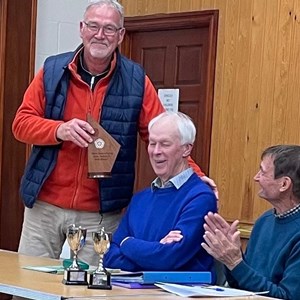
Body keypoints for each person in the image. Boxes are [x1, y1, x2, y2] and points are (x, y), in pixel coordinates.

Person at [12, 0, 217, 266]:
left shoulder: (136, 80)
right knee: (29, 286)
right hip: (44, 207)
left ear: (121, 35)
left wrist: (197, 177)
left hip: (100, 212)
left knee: (89, 291)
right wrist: (60, 129)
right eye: (94, 26)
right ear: (81, 29)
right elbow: (20, 123)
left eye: (109, 29)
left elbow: (165, 135)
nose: (100, 35)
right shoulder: (51, 71)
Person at [103, 112, 217, 274]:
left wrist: (127, 243)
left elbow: (168, 259)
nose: (156, 151)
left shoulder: (200, 198)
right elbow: (110, 257)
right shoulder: (139, 199)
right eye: (152, 143)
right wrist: (154, 253)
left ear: (186, 149)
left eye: (165, 144)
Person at [201, 145, 300, 299]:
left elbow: (286, 297)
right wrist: (230, 258)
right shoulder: (264, 221)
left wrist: (235, 263)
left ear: (284, 184)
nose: (256, 177)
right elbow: (241, 286)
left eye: (262, 172)